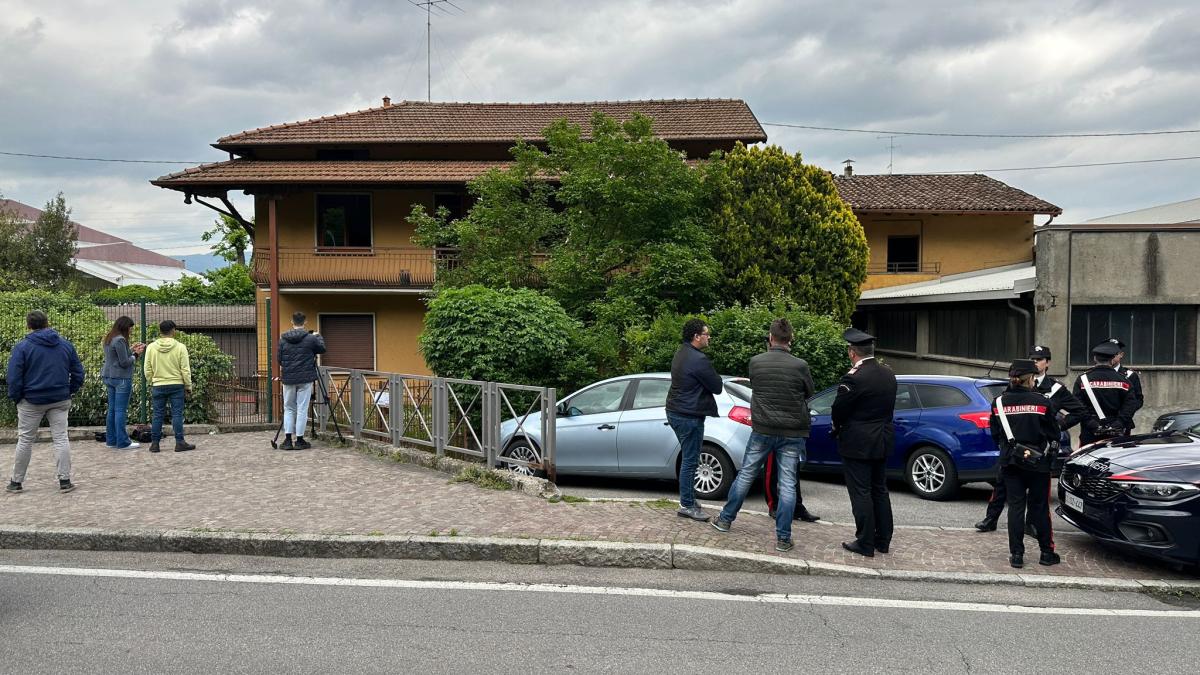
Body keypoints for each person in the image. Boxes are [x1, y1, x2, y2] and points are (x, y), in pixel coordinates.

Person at [711, 318, 815, 552]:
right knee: (787, 484)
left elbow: (757, 386)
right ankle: (783, 538)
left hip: (763, 428)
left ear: (770, 338)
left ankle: (725, 520)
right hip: (792, 431)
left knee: (746, 474)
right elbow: (809, 392)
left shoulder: (756, 362)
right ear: (791, 340)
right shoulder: (800, 365)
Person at [975, 344, 1086, 532]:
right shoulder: (1017, 381)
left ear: (1047, 363)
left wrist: (1059, 426)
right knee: (1001, 484)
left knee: (1036, 492)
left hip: (1038, 446)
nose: (1035, 362)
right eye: (1032, 359)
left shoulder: (1056, 389)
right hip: (1013, 445)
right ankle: (990, 518)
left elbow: (1079, 411)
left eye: (1039, 359)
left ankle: (1030, 524)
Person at [989, 359, 1061, 568]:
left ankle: (1017, 556)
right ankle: (1047, 553)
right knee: (1039, 508)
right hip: (1038, 464)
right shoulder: (1042, 402)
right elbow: (1054, 433)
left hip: (1011, 462)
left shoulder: (999, 402)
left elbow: (995, 434)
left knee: (1015, 508)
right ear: (1030, 378)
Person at [831, 328, 895, 557]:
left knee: (861, 492)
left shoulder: (854, 378)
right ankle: (883, 539)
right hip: (882, 439)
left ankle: (865, 541)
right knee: (880, 489)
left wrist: (837, 428)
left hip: (858, 442)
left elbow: (838, 410)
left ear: (852, 352)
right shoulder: (888, 374)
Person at [6, 310, 84, 494]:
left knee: (25, 439)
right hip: (59, 398)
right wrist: (69, 390)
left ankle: (16, 482)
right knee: (60, 438)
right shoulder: (65, 345)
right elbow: (78, 372)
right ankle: (64, 480)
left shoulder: (22, 347)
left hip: (31, 400)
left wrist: (17, 397)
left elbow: (14, 377)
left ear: (28, 325)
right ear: (47, 323)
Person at [665, 318, 723, 522]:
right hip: (689, 415)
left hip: (675, 411)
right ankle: (687, 504)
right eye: (706, 334)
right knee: (690, 460)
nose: (709, 337)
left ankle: (688, 498)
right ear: (696, 336)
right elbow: (717, 386)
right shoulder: (699, 360)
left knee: (689, 458)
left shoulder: (681, 352)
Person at [143, 320, 196, 453]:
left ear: (160, 331)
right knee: (177, 414)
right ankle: (179, 442)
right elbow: (185, 369)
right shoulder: (180, 347)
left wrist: (152, 381)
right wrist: (188, 385)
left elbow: (147, 369)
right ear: (173, 331)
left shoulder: (151, 347)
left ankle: (155, 444)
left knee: (157, 415)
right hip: (176, 384)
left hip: (158, 385)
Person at [1072, 340, 1137, 446]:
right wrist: (1119, 423)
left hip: (1090, 431)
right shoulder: (1124, 381)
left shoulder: (1083, 379)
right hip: (1116, 432)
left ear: (1094, 358)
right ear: (1112, 359)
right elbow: (1130, 405)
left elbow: (1077, 405)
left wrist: (1091, 423)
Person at [277, 312, 326, 450]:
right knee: (302, 409)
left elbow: (279, 359)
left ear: (291, 321)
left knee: (289, 408)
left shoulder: (283, 339)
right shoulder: (310, 339)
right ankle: (299, 440)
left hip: (288, 378)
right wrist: (318, 336)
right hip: (305, 378)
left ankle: (287, 440)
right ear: (305, 322)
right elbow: (322, 349)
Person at [101, 316, 145, 450]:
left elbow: (116, 357)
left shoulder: (109, 338)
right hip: (121, 378)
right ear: (125, 327)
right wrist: (136, 354)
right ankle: (123, 442)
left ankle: (111, 440)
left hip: (109, 377)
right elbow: (124, 362)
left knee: (112, 410)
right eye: (130, 328)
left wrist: (130, 349)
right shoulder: (120, 340)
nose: (131, 330)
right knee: (120, 410)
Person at [1106, 337, 1144, 434]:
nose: (1111, 356)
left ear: (1121, 355)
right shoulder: (1094, 375)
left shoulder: (1130, 376)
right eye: (1108, 353)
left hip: (1122, 424)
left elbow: (1138, 400)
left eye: (1114, 354)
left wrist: (1124, 415)